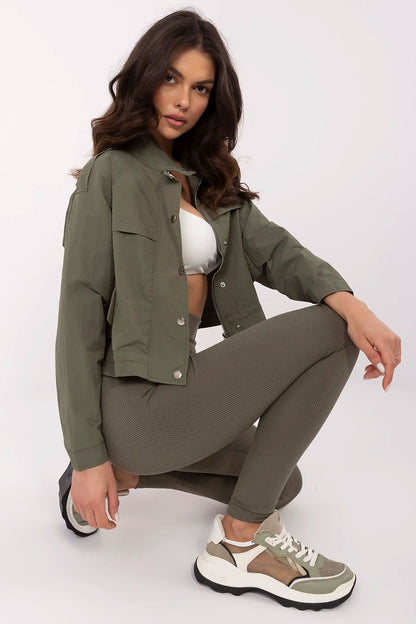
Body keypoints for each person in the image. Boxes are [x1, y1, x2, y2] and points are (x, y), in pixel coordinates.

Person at [55, 8, 401, 611]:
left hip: (177, 397)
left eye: (200, 87)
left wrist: (358, 304)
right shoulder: (109, 177)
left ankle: (132, 472)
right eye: (171, 78)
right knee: (332, 330)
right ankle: (239, 543)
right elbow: (77, 324)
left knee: (281, 482)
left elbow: (281, 254)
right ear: (144, 77)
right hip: (134, 403)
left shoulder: (211, 185)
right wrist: (88, 457)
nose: (182, 100)